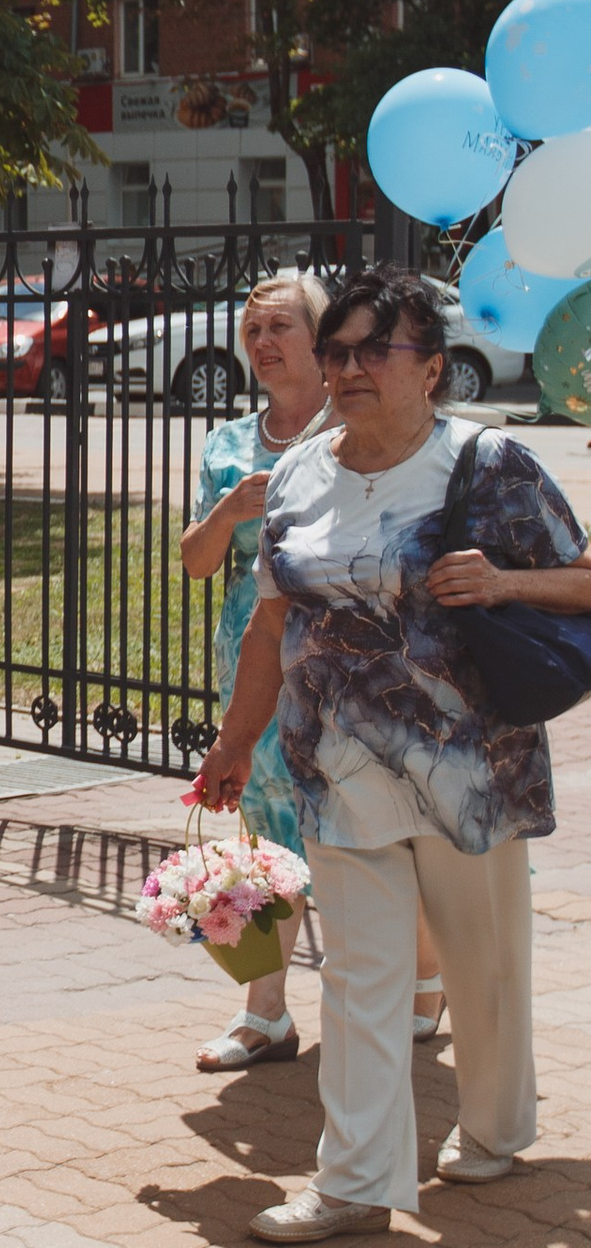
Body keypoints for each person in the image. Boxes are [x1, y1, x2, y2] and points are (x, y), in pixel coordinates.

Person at [196, 270, 591, 1244]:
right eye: (337, 350)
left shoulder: (484, 465)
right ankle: (357, 1181)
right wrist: (236, 741)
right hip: (336, 768)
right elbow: (269, 626)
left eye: (375, 350)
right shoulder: (298, 473)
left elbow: (582, 578)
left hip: (469, 773)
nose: (347, 368)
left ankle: (494, 1132)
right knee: (358, 977)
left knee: (481, 971)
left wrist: (504, 581)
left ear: (433, 369)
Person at [176, 267, 449, 1071]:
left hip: (347, 662)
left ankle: (423, 980)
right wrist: (230, 509)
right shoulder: (227, 443)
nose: (262, 344)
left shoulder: (361, 424)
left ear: (320, 339)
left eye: (280, 328)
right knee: (268, 824)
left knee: (375, 821)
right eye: (252, 331)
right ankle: (266, 1013)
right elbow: (195, 562)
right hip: (256, 655)